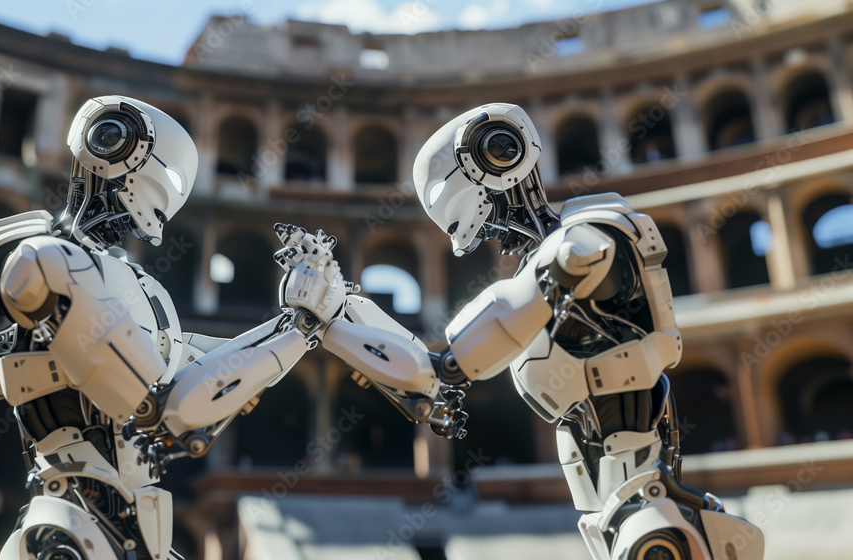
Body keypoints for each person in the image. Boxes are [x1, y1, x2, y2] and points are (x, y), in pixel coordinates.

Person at [0, 95, 461, 560]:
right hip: (71, 527)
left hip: (127, 524)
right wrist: (302, 326)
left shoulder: (127, 282)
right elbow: (160, 409)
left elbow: (208, 369)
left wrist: (311, 322)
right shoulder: (44, 262)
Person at [279, 103, 765, 560]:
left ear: (496, 164)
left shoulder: (583, 240)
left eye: (486, 219)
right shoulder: (556, 260)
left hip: (637, 492)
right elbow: (437, 366)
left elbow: (451, 364)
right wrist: (341, 314)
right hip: (614, 501)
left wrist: (333, 325)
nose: (495, 236)